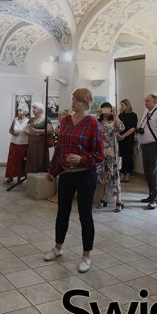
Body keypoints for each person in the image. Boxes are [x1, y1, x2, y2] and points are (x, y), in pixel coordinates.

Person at [43, 88, 105, 273]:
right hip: (67, 173)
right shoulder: (66, 121)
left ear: (86, 102)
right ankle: (58, 248)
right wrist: (53, 170)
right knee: (62, 211)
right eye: (73, 99)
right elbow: (60, 148)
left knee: (85, 214)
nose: (73, 102)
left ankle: (86, 256)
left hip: (86, 174)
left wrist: (82, 158)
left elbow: (100, 154)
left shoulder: (93, 123)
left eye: (76, 100)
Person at [138, 94, 157, 210]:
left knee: (154, 173)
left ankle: (155, 199)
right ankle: (151, 196)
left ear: (154, 102)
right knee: (147, 172)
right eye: (145, 101)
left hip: (153, 147)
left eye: (147, 101)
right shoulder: (146, 112)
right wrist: (138, 143)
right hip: (145, 146)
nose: (145, 103)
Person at [96, 102, 124, 211]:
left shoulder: (114, 122)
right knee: (102, 176)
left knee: (115, 175)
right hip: (101, 153)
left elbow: (121, 128)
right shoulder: (98, 122)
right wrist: (96, 115)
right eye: (104, 109)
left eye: (108, 109)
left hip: (113, 153)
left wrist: (116, 114)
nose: (106, 111)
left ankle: (119, 200)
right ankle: (104, 198)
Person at [25, 102, 53, 174]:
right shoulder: (31, 119)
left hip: (41, 144)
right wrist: (35, 133)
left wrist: (38, 131)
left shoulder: (46, 119)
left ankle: (40, 180)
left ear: (40, 109)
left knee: (40, 159)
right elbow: (25, 130)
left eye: (35, 108)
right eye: (32, 108)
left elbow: (50, 130)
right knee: (32, 159)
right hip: (32, 144)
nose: (33, 110)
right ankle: (32, 178)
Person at [4, 105, 29, 183]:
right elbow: (10, 130)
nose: (19, 112)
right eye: (18, 110)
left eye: (20, 110)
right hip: (14, 143)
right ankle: (10, 177)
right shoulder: (15, 120)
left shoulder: (28, 121)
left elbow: (29, 131)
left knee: (20, 160)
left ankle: (19, 177)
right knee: (12, 160)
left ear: (25, 111)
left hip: (24, 143)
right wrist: (14, 134)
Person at [117, 99, 138, 183]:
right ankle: (122, 172)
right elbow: (117, 126)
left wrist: (124, 135)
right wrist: (119, 135)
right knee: (121, 156)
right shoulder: (120, 115)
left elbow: (133, 128)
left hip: (128, 138)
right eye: (121, 105)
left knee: (128, 155)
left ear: (127, 105)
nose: (121, 107)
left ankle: (128, 173)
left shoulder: (133, 115)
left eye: (122, 105)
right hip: (120, 138)